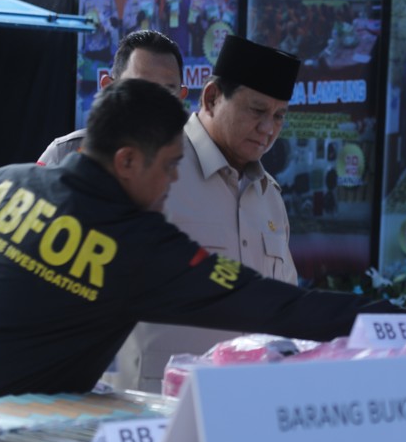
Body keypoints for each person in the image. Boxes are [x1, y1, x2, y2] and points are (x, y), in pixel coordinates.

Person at [0, 79, 401, 402]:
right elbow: (280, 307)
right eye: (171, 166)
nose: (174, 181)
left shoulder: (5, 180)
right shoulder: (134, 246)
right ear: (128, 161)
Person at [113, 34, 302, 392]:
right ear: (212, 98)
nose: (268, 129)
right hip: (155, 410)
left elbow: (285, 307)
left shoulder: (270, 197)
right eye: (257, 110)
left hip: (249, 405)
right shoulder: (148, 168)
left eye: (279, 116)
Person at [38, 29, 187, 166]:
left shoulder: (196, 164)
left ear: (181, 97)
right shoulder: (64, 154)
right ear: (108, 88)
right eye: (140, 87)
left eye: (167, 91)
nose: (155, 102)